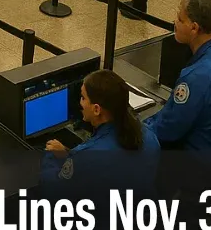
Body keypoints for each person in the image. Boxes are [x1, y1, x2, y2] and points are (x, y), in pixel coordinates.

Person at [145, 0, 211, 152]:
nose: (175, 23)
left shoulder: (195, 77)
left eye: (180, 19)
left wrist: (136, 127)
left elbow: (168, 130)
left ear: (194, 28)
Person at [40, 69, 160, 198]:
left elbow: (54, 190)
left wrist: (50, 157)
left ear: (96, 109)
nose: (80, 103)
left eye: (83, 98)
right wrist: (69, 155)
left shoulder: (86, 156)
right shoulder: (149, 136)